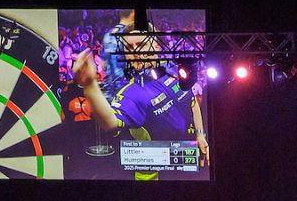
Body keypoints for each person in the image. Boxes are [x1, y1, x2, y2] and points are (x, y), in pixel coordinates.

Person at [70, 27, 211, 172]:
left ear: (156, 46)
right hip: (157, 178)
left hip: (194, 161)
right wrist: (90, 85)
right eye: (129, 48)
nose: (135, 52)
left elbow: (192, 103)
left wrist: (200, 134)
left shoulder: (175, 72)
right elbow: (110, 123)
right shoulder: (131, 93)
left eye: (140, 45)